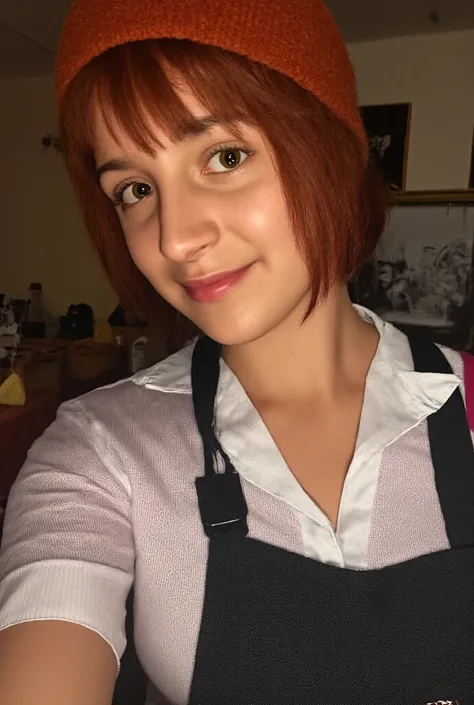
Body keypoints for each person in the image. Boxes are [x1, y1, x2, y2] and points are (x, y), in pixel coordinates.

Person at [0, 1, 474, 704]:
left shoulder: (463, 407)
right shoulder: (99, 451)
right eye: (135, 189)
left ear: (332, 147)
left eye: (225, 156)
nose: (175, 238)